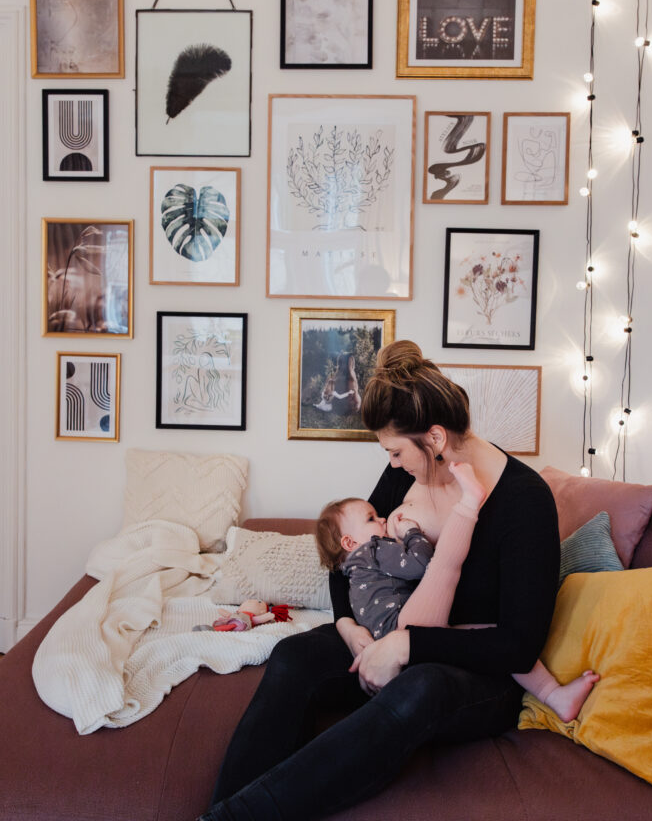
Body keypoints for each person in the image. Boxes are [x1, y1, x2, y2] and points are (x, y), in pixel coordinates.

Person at [198, 340, 572, 821]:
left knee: (418, 689)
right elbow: (348, 558)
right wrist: (348, 628)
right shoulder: (405, 472)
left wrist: (410, 647)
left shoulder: (525, 502)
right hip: (387, 635)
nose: (391, 464)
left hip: (475, 672)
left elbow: (518, 646)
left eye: (396, 451)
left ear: (434, 439)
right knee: (294, 655)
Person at [316, 488, 598, 721]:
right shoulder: (375, 549)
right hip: (408, 633)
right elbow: (420, 564)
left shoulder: (351, 572)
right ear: (350, 541)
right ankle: (552, 694)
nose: (382, 519)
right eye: (371, 518)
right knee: (490, 633)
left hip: (384, 642)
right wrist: (412, 533)